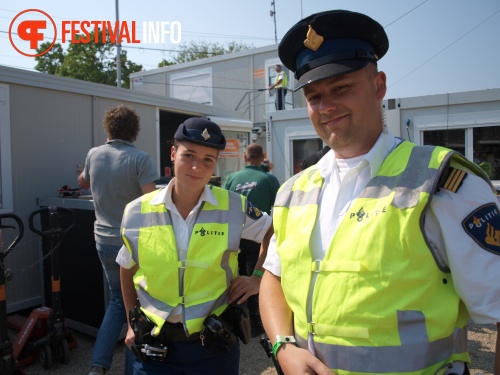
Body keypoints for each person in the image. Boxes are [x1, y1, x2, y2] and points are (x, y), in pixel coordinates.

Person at [260, 9, 500, 375]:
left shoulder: (445, 184)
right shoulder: (295, 191)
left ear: (379, 86)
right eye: (313, 96)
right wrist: (282, 346)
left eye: (341, 88)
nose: (325, 107)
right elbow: (274, 278)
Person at [117, 118, 273, 375]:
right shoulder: (137, 211)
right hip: (155, 345)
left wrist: (258, 277)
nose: (196, 167)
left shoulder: (234, 205)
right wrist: (131, 323)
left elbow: (273, 232)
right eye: (188, 155)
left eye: (207, 160)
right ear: (172, 153)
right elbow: (126, 267)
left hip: (213, 347)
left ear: (215, 164)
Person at [78, 105, 160, 375]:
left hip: (103, 240)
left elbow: (83, 182)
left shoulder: (94, 154)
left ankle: (98, 366)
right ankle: (131, 368)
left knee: (117, 301)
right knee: (137, 306)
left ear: (107, 128)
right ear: (135, 131)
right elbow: (153, 200)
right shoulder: (141, 159)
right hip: (133, 243)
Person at [222, 143, 280, 337]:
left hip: (234, 237)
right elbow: (278, 210)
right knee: (257, 278)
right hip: (260, 236)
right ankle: (258, 323)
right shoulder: (269, 179)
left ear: (245, 158)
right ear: (262, 157)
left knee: (236, 278)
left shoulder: (231, 179)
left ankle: (238, 318)